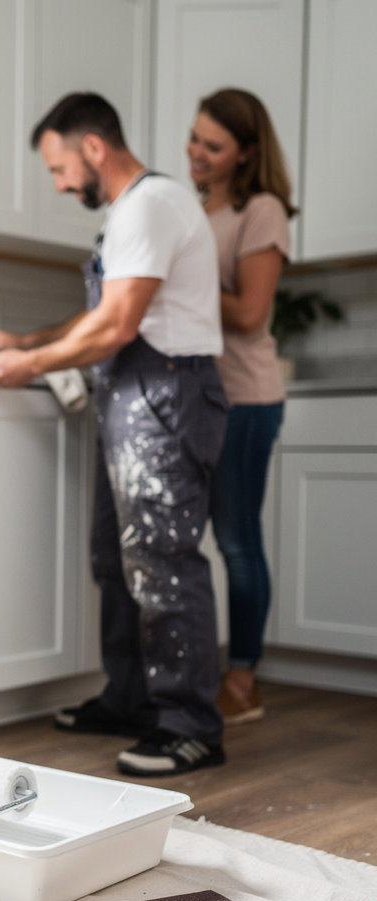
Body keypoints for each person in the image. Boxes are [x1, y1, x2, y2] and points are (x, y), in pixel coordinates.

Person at [0, 92, 229, 777]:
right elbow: (107, 315)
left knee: (164, 561)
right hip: (131, 393)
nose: (58, 183)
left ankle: (190, 725)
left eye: (59, 167)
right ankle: (133, 700)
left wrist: (29, 363)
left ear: (92, 148)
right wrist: (27, 339)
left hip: (165, 390)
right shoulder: (130, 214)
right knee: (116, 558)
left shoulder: (150, 204)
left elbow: (117, 326)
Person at [187, 88, 294, 725]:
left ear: (246, 152)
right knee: (201, 540)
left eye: (214, 145)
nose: (196, 152)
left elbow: (251, 315)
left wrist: (181, 280)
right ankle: (212, 671)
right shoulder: (198, 210)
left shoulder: (263, 210)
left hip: (247, 400)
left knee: (236, 540)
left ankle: (244, 678)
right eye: (194, 137)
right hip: (203, 397)